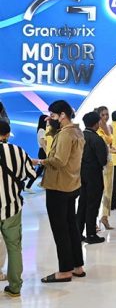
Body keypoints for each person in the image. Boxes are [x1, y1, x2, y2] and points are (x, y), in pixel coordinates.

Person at [39, 100, 85, 283]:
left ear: (62, 115)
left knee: (60, 230)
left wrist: (40, 161)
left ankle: (65, 270)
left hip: (58, 186)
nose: (50, 118)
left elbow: (59, 161)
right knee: (71, 227)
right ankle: (77, 266)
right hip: (71, 184)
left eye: (53, 115)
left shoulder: (66, 134)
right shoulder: (76, 131)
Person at [0, 120, 37, 297]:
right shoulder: (18, 151)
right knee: (14, 247)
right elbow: (30, 174)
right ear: (8, 134)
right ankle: (15, 286)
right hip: (12, 207)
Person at [76, 112, 108, 245]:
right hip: (94, 175)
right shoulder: (97, 139)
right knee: (93, 204)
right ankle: (91, 234)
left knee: (82, 203)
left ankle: (78, 233)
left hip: (80, 174)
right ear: (97, 123)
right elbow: (103, 160)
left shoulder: (79, 136)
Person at [97, 106, 114, 230]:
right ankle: (92, 220)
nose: (105, 117)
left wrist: (112, 149)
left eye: (107, 114)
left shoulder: (110, 127)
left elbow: (110, 146)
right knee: (96, 191)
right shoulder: (96, 128)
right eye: (103, 114)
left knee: (108, 191)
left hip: (109, 161)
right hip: (98, 163)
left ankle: (105, 216)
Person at [25, 114, 48, 192]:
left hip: (43, 151)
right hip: (43, 152)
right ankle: (28, 186)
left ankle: (43, 184)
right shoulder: (41, 130)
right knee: (39, 171)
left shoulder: (43, 130)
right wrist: (47, 153)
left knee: (46, 169)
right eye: (47, 120)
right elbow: (42, 143)